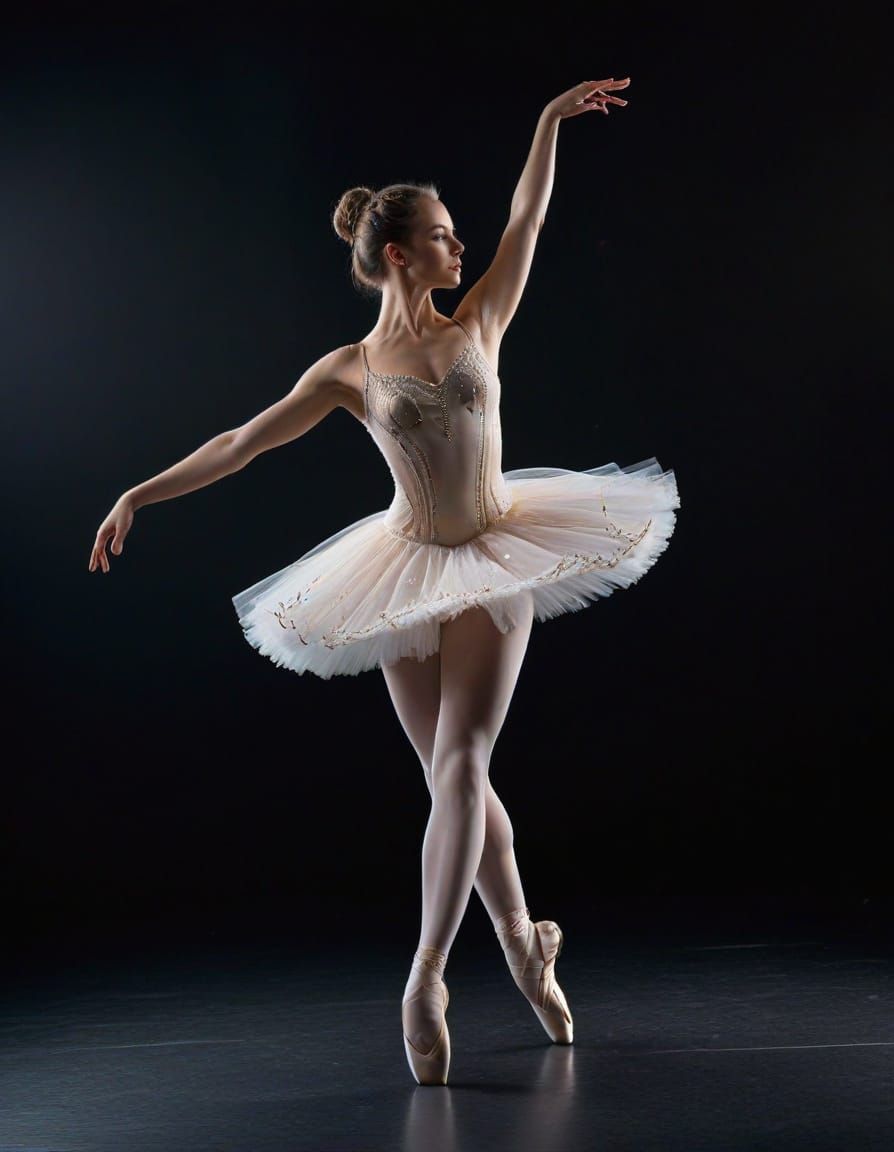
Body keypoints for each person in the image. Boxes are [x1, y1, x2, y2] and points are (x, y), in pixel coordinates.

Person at [89, 77, 679, 1086]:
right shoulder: (347, 371)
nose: (461, 245)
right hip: (404, 566)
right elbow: (239, 444)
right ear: (398, 252)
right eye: (443, 235)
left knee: (459, 766)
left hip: (497, 547)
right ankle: (525, 948)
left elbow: (528, 212)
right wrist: (139, 493)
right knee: (456, 780)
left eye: (459, 232)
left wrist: (543, 121)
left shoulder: (480, 319)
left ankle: (426, 975)